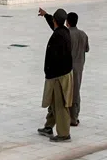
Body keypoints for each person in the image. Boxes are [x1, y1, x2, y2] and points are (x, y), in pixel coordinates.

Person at [36, 8, 73, 142]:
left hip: (58, 76)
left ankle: (64, 134)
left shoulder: (59, 36)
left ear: (55, 21)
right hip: (59, 74)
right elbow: (55, 26)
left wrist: (50, 73)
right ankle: (48, 126)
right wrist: (46, 15)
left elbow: (56, 57)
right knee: (53, 102)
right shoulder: (64, 31)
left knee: (60, 103)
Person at [66, 12, 89, 126]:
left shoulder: (67, 34)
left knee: (69, 92)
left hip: (69, 68)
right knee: (76, 91)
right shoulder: (83, 34)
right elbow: (87, 49)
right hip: (80, 67)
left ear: (67, 22)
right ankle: (75, 115)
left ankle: (71, 118)